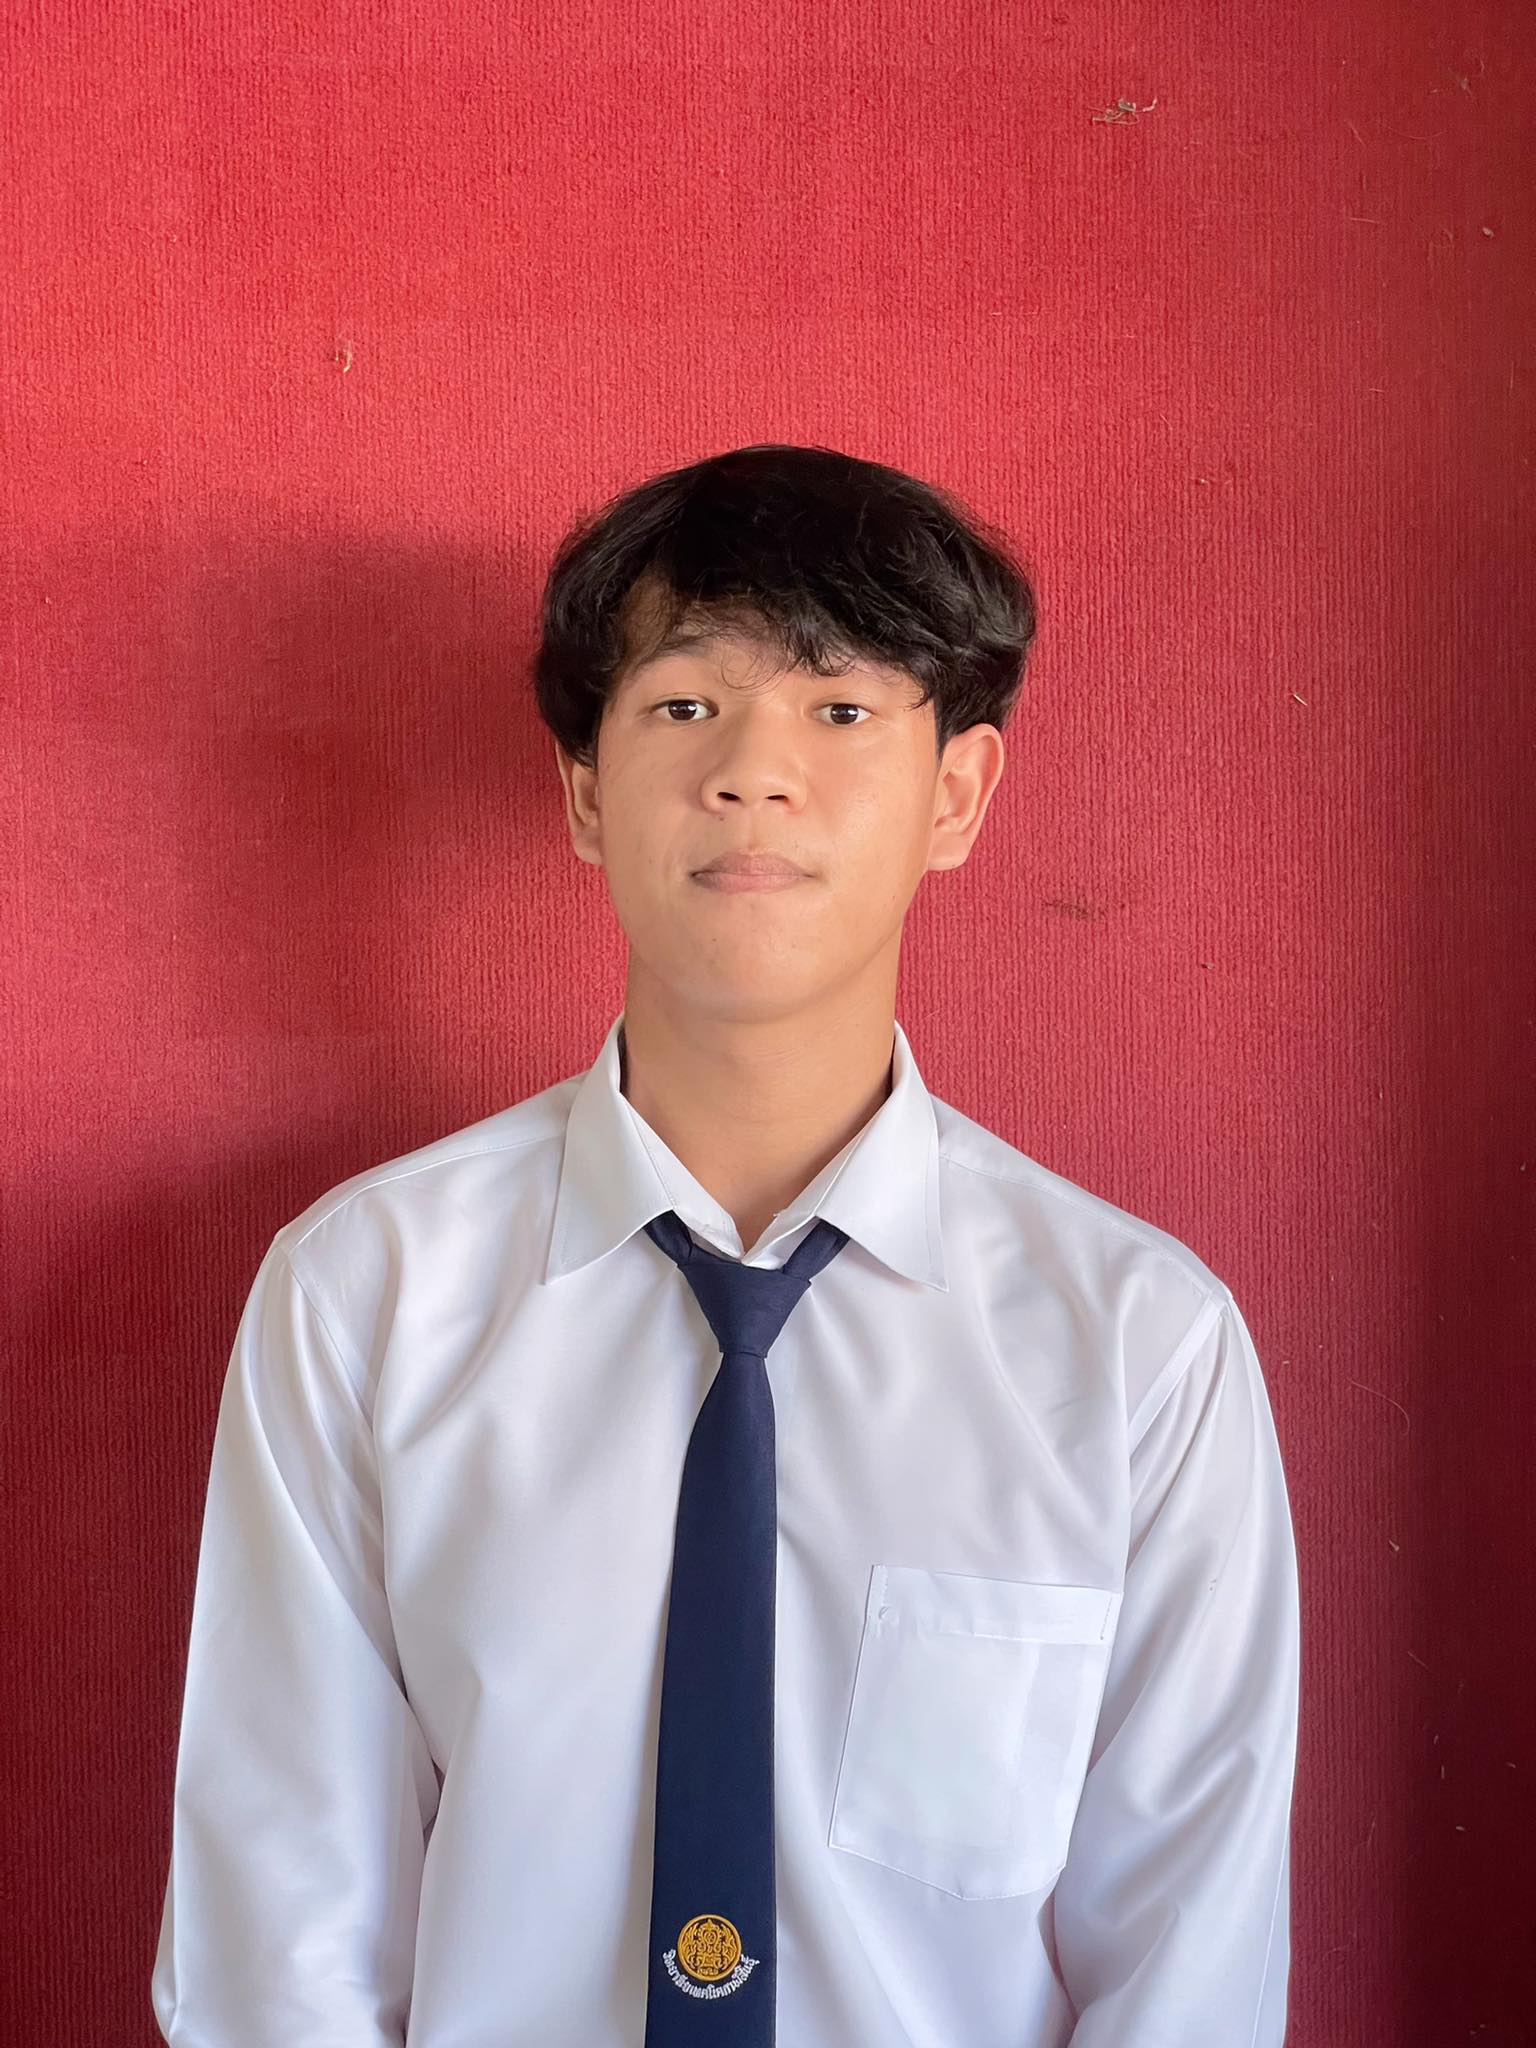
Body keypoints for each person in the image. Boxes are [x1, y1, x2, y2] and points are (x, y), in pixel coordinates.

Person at [150, 442, 1300, 2047]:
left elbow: (1187, 1959)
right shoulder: (367, 1297)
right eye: (685, 705)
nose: (755, 773)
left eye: (841, 710)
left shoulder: (1139, 1348)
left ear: (957, 795)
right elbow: (279, 1937)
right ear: (584, 792)